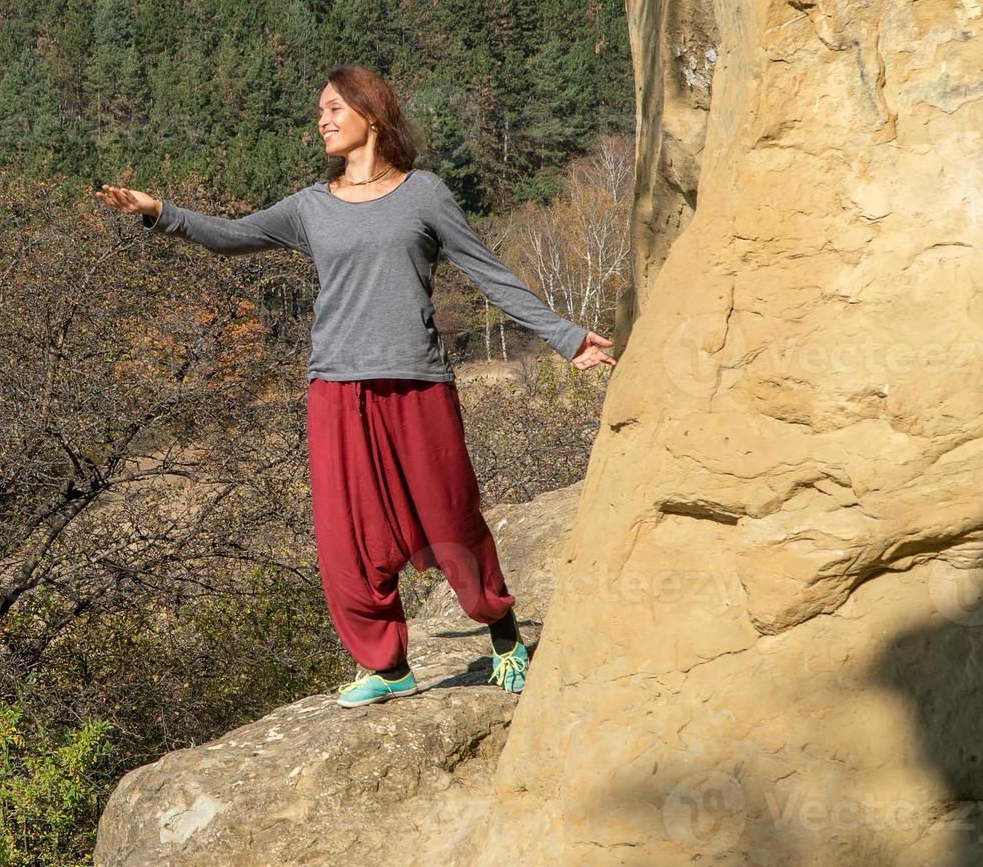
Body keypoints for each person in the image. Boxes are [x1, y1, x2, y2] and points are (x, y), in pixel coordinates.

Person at [91, 65, 616, 709]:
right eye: (321, 111)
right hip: (337, 386)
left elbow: (490, 274)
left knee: (450, 513)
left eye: (336, 108)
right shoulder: (311, 206)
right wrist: (160, 213)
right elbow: (233, 236)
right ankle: (389, 665)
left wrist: (566, 337)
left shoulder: (424, 195)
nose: (324, 120)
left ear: (373, 113)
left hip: (416, 382)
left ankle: (502, 632)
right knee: (348, 532)